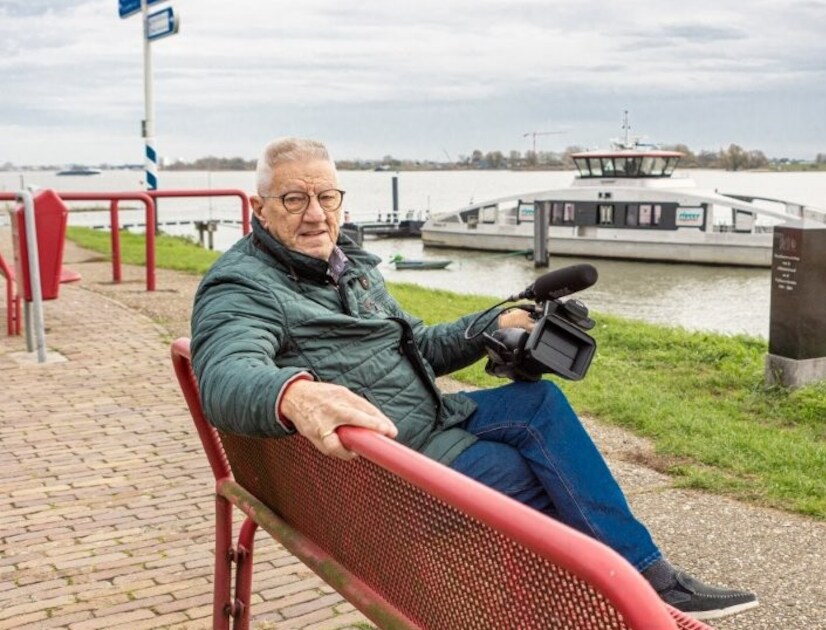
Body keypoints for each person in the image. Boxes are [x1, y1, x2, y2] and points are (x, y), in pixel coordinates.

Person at [190, 137, 758, 620]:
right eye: (294, 199)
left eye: (326, 196)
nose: (315, 213)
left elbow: (417, 346)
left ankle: (646, 575)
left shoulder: (346, 266)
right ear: (260, 210)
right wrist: (293, 393)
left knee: (539, 402)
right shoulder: (243, 286)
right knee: (552, 479)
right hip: (397, 469)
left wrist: (501, 317)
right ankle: (631, 597)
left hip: (428, 423)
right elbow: (224, 371)